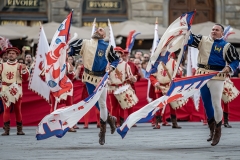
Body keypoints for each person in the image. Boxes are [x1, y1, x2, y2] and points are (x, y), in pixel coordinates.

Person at [188, 24, 239, 146]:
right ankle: (211, 130)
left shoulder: (227, 46)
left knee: (216, 103)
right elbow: (189, 40)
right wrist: (185, 29)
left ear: (222, 33)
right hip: (202, 75)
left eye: (217, 30)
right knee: (206, 103)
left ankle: (218, 130)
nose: (214, 31)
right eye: (213, 29)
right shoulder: (202, 40)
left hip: (216, 76)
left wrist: (229, 67)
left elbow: (236, 60)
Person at [69, 27, 120, 145]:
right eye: (97, 29)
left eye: (101, 30)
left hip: (101, 78)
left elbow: (115, 60)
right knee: (94, 101)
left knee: (102, 103)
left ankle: (102, 132)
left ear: (104, 35)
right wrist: (66, 51)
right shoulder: (84, 42)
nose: (97, 30)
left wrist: (111, 67)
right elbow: (72, 51)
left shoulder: (108, 47)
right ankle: (110, 119)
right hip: (88, 77)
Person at [149, 52, 184, 129]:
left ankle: (174, 123)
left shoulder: (173, 62)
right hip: (159, 87)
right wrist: (155, 83)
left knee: (173, 105)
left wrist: (178, 73)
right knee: (159, 105)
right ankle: (157, 123)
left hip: (170, 86)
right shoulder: (156, 63)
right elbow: (151, 76)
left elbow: (179, 73)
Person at [0, 47, 29, 136]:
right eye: (9, 53)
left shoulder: (20, 66)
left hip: (16, 88)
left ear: (16, 55)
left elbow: (25, 78)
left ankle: (19, 129)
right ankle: (6, 129)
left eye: (13, 53)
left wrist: (24, 70)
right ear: (7, 54)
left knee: (17, 109)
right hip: (5, 88)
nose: (11, 55)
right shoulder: (2, 65)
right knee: (6, 109)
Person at [108, 47, 137, 127]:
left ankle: (121, 122)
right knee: (113, 106)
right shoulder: (109, 64)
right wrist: (108, 81)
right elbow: (105, 77)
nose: (117, 54)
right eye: (115, 53)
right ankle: (114, 122)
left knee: (122, 105)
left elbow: (130, 76)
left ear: (121, 54)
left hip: (122, 87)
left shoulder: (125, 65)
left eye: (118, 53)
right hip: (112, 88)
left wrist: (133, 78)